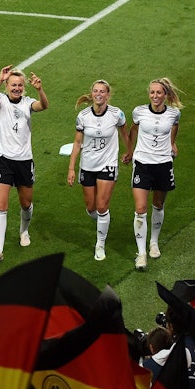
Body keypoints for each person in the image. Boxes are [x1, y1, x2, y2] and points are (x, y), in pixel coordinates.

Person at [0, 65, 49, 264]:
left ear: (24, 88)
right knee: (1, 204)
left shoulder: (28, 103)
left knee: (26, 203)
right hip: (3, 160)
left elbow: (43, 106)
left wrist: (40, 90)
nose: (16, 88)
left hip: (24, 160)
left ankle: (24, 230)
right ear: (7, 86)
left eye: (20, 85)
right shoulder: (1, 101)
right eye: (13, 85)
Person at [121, 77, 182, 272]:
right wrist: (129, 151)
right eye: (152, 92)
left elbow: (175, 127)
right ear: (149, 94)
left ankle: (153, 242)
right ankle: (141, 254)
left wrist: (172, 143)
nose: (155, 96)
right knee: (140, 208)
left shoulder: (174, 114)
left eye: (159, 92)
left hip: (163, 164)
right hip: (142, 164)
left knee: (158, 204)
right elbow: (133, 130)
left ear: (165, 95)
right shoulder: (139, 112)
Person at [66, 80, 129, 261]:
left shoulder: (117, 114)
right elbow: (77, 143)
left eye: (102, 91)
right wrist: (71, 168)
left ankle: (100, 244)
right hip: (87, 165)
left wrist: (129, 150)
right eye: (95, 91)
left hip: (108, 164)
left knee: (101, 206)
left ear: (108, 95)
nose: (99, 94)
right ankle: (104, 220)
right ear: (92, 94)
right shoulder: (83, 116)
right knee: (91, 208)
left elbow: (124, 132)